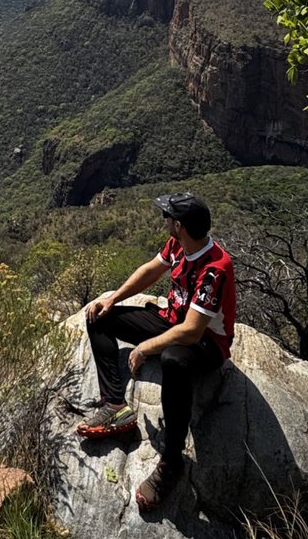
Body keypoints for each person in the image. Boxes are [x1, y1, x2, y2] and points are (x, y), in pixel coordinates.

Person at [75, 192, 236, 511]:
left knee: (173, 359)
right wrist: (113, 299)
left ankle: (172, 462)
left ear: (179, 226)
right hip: (171, 320)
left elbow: (192, 332)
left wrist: (144, 348)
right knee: (99, 317)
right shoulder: (178, 244)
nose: (165, 221)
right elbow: (151, 270)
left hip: (206, 343)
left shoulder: (215, 268)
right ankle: (115, 405)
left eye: (168, 218)